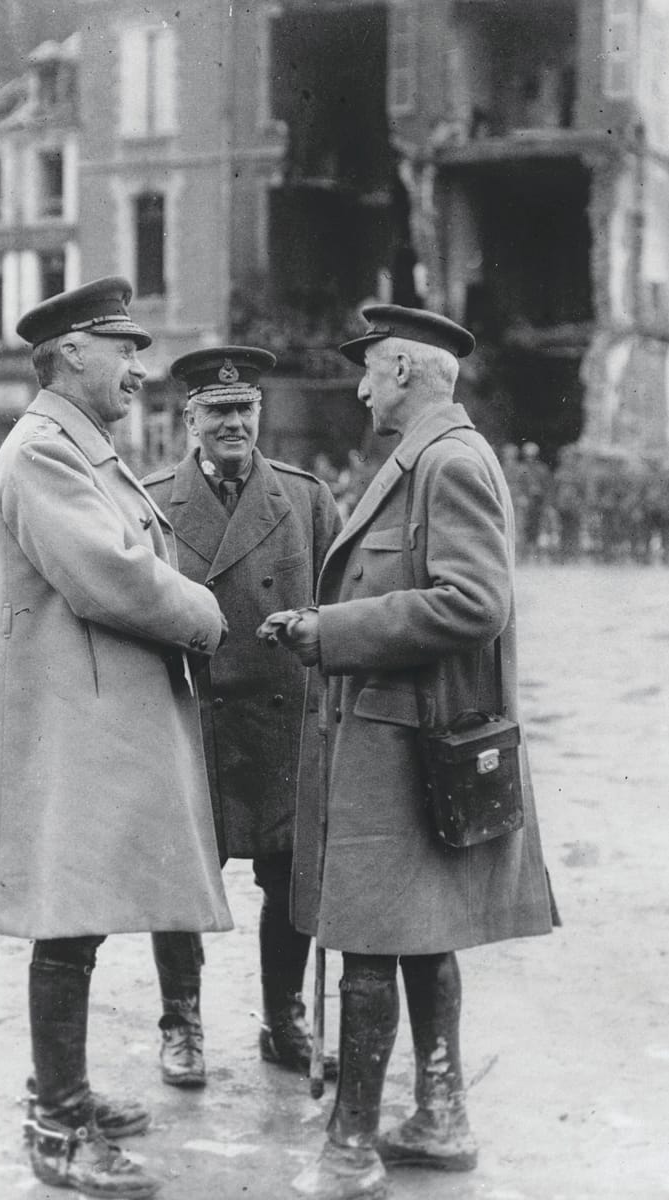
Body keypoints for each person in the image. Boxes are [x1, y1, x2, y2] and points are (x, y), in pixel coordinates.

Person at [0, 278, 233, 1198]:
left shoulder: (78, 446)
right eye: (125, 350)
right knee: (66, 919)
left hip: (95, 718)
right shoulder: (43, 452)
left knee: (83, 912)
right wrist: (206, 613)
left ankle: (62, 1092)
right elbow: (113, 577)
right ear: (72, 352)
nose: (139, 371)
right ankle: (55, 1121)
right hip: (73, 726)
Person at [259, 304, 556, 1199]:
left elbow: (474, 602)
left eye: (368, 371)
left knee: (368, 944)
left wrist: (333, 631)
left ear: (403, 372)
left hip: (405, 741)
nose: (355, 388)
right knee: (419, 935)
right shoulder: (424, 459)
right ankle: (438, 1114)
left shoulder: (448, 462)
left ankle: (350, 1148)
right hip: (403, 735)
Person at [142, 346, 342, 1087]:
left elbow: (339, 600)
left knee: (290, 877)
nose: (233, 424)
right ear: (190, 421)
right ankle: (181, 1023)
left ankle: (282, 1018)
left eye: (244, 410)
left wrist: (313, 622)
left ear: (259, 414)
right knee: (180, 879)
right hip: (193, 719)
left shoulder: (305, 498)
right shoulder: (153, 499)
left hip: (281, 723)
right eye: (217, 412)